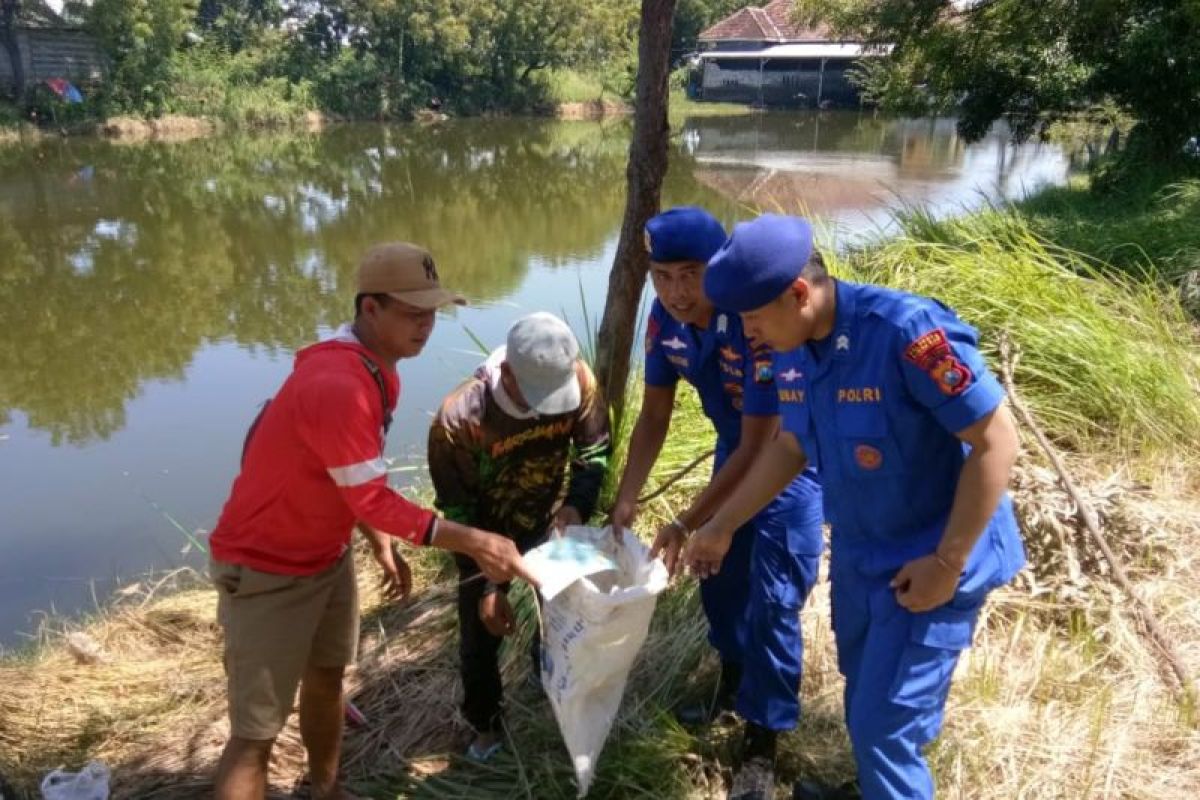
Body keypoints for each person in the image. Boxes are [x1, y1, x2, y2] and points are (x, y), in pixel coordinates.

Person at [685, 215, 1026, 800]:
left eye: (754, 318)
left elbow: (997, 440)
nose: (749, 333)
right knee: (862, 697)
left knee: (884, 731)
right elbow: (790, 446)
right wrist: (720, 527)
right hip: (863, 557)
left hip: (932, 558)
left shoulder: (903, 333)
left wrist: (946, 564)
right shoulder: (792, 347)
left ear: (799, 293)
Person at [208, 242, 537, 800]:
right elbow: (375, 498)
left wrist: (379, 545)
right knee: (255, 735)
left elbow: (350, 483)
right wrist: (476, 540)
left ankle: (327, 788)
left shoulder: (377, 370)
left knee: (327, 678)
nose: (426, 326)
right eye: (412, 313)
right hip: (267, 568)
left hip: (324, 558)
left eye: (432, 312)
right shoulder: (340, 384)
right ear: (370, 309)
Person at [609, 207, 824, 800]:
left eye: (691, 274)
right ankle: (732, 683)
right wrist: (627, 498)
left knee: (773, 600)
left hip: (787, 460)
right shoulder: (664, 321)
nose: (676, 291)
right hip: (733, 451)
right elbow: (655, 414)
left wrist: (689, 519)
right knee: (718, 581)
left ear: (719, 267)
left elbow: (762, 442)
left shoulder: (750, 317)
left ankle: (762, 742)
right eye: (661, 275)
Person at [428, 312, 611, 762]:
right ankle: (485, 726)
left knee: (563, 610)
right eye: (537, 397)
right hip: (485, 535)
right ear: (507, 372)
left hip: (550, 523)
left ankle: (544, 670)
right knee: (480, 634)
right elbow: (459, 513)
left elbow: (594, 452)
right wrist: (489, 584)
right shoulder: (459, 420)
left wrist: (575, 507)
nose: (549, 407)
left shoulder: (580, 381)